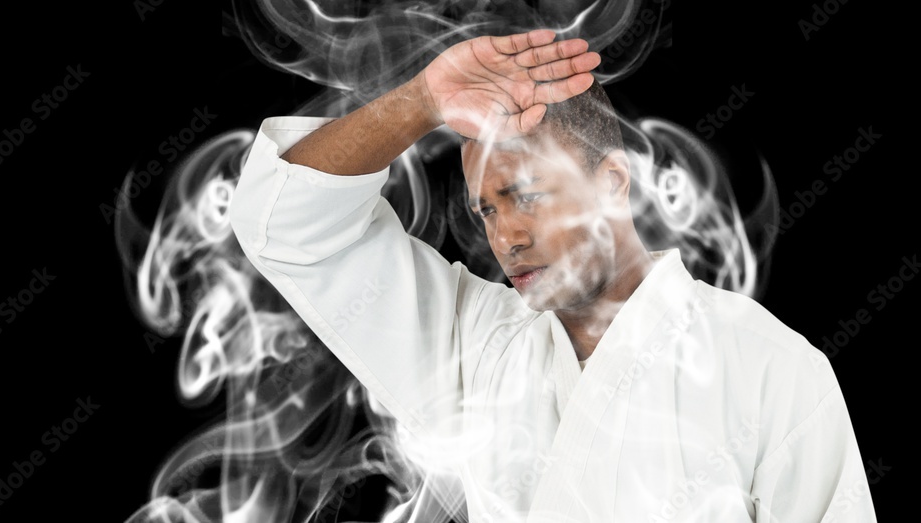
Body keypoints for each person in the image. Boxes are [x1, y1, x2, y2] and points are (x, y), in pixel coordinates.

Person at [228, 29, 876, 522]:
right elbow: (287, 222)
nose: (506, 235)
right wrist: (421, 103)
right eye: (487, 208)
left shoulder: (769, 367)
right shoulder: (476, 350)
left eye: (529, 193)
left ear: (613, 183)